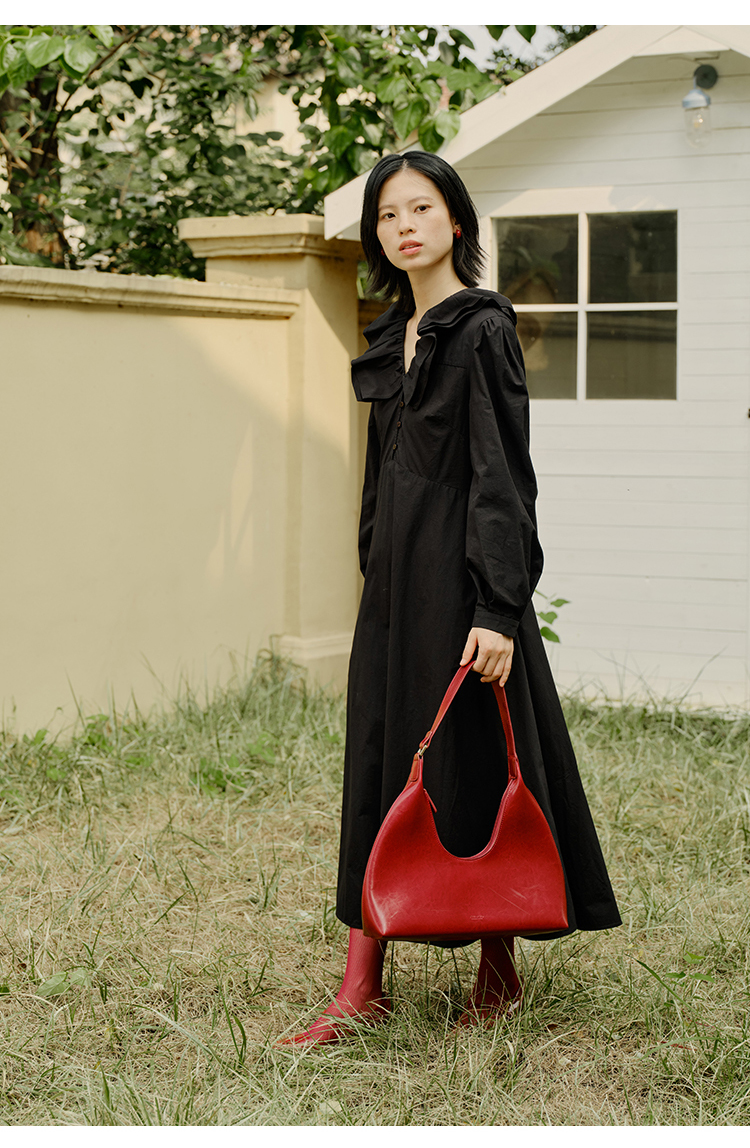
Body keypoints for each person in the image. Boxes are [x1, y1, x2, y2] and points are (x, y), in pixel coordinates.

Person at [282, 152, 621, 1047]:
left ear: (456, 220)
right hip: (394, 593)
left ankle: (498, 972)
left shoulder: (483, 330)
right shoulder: (391, 335)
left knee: (472, 759)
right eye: (388, 214)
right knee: (379, 762)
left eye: (421, 208)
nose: (405, 226)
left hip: (465, 586)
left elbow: (502, 475)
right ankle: (363, 984)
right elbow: (378, 476)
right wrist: (373, 564)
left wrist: (498, 608)